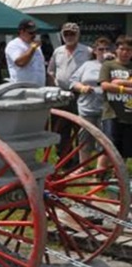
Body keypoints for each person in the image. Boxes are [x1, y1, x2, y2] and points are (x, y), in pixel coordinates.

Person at [47, 22, 93, 163]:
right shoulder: (58, 51)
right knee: (60, 128)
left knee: (80, 128)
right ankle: (65, 160)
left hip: (80, 94)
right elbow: (51, 71)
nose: (69, 36)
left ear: (78, 35)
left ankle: (81, 161)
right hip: (61, 94)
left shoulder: (87, 51)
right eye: (66, 33)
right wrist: (53, 86)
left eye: (72, 33)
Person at [70, 36, 113, 168]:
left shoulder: (113, 65)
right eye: (100, 49)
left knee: (104, 140)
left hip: (106, 108)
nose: (103, 52)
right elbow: (73, 81)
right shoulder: (87, 65)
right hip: (87, 107)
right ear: (94, 51)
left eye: (107, 49)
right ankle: (83, 166)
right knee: (85, 137)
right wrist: (82, 88)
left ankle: (100, 169)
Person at [5, 19, 46, 85]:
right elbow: (20, 62)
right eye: (31, 33)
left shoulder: (36, 47)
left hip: (39, 87)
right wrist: (32, 48)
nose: (34, 35)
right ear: (22, 31)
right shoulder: (14, 45)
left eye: (35, 32)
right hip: (22, 87)